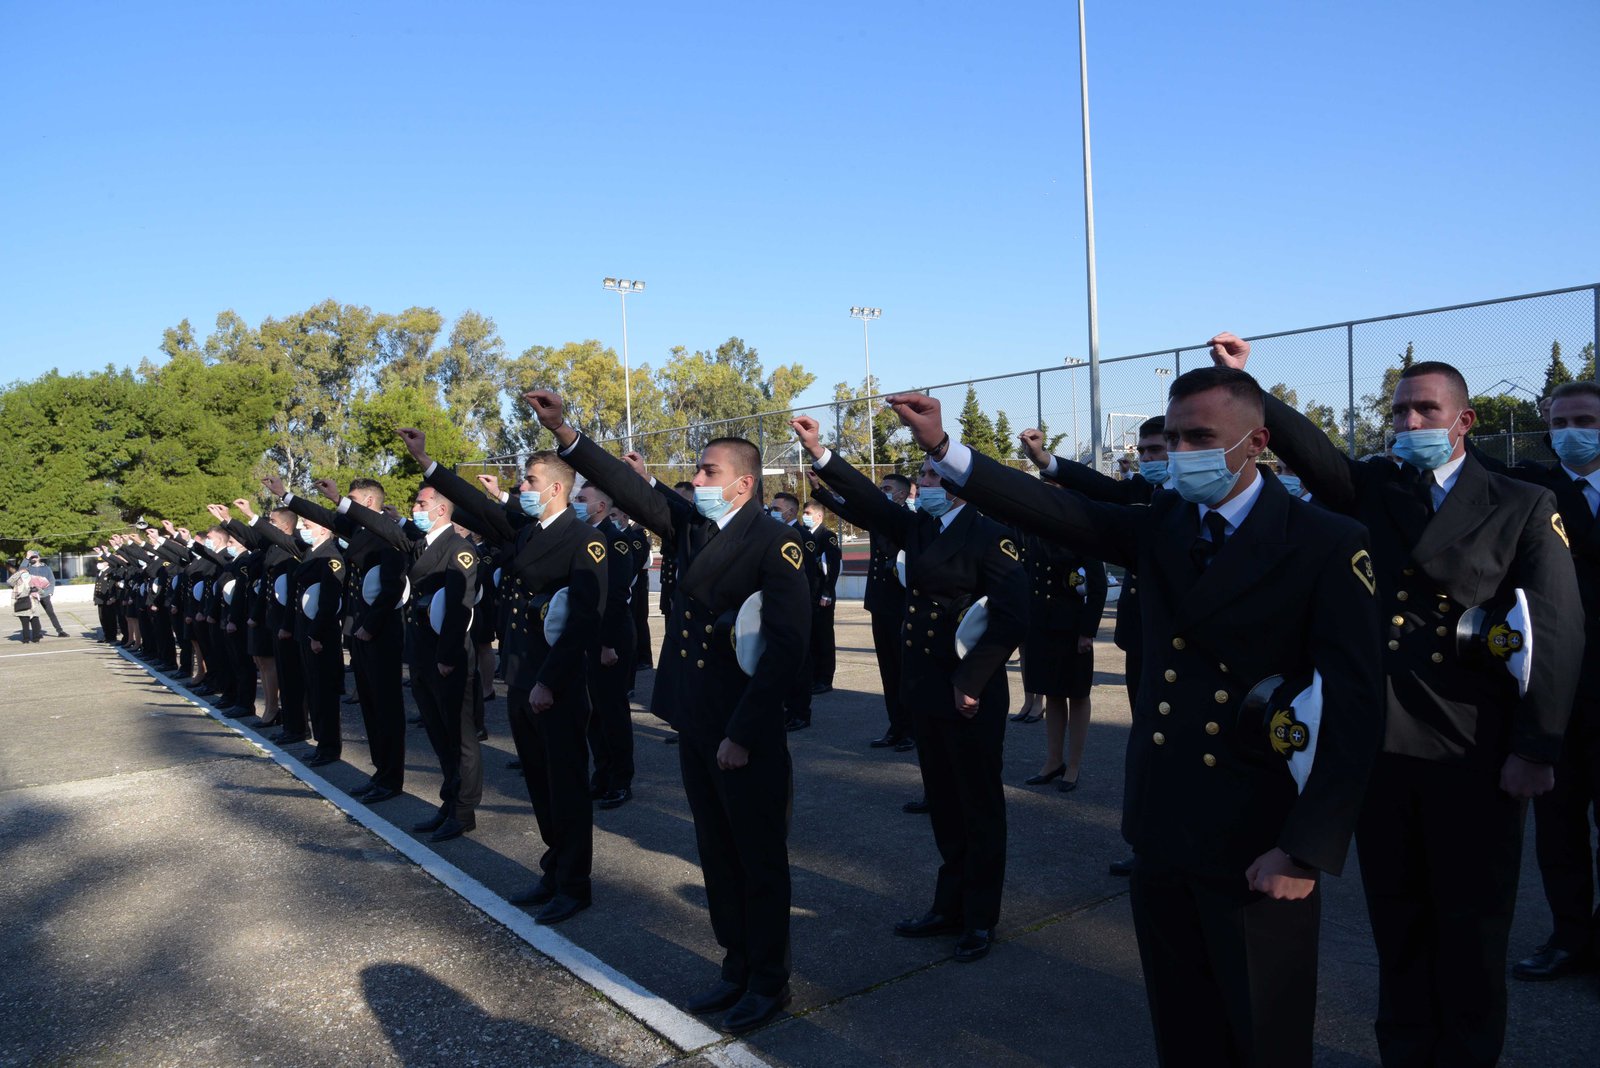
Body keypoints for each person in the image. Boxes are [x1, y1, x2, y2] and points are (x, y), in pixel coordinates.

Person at [892, 367, 1384, 1067]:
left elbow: (1356, 707)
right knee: (1183, 1030)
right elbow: (1053, 508)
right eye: (1173, 436)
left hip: (1260, 836)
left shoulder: (1326, 540)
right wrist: (945, 447)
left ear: (1257, 442)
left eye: (1199, 437)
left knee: (1263, 1034)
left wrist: (1306, 848)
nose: (1180, 452)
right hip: (1163, 824)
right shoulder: (1163, 525)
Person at [1212, 333, 1583, 1067]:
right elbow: (1316, 457)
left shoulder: (1521, 502)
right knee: (1399, 927)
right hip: (1384, 749)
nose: (1409, 423)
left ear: (1463, 421)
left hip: (1474, 753)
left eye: (1425, 411)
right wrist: (1249, 386)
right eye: (1400, 411)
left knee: (1471, 932)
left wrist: (1536, 748)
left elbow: (1557, 631)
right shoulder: (1374, 490)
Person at [527, 387, 809, 1036]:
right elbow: (632, 491)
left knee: (758, 861)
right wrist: (566, 432)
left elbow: (785, 653)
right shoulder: (693, 528)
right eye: (699, 472)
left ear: (743, 485)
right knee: (716, 854)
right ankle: (736, 965)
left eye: (709, 472)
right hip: (697, 723)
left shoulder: (776, 544)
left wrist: (743, 733)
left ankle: (769, 982)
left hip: (744, 732)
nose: (697, 480)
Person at [794, 413, 1027, 965]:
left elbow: (1012, 616)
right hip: (926, 688)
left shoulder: (992, 535)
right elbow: (870, 506)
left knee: (977, 806)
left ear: (959, 485)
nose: (923, 484)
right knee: (943, 804)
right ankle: (948, 905)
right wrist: (821, 453)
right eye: (921, 477)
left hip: (969, 692)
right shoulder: (921, 527)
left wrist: (971, 681)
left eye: (931, 477)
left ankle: (979, 915)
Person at [401, 427, 606, 922]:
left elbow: (583, 621)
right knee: (539, 782)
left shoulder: (586, 540)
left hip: (554, 683)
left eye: (530, 481)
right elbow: (478, 505)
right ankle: (554, 868)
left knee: (566, 786)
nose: (522, 488)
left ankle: (574, 884)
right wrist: (427, 462)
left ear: (555, 488)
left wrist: (548, 682)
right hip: (520, 676)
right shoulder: (527, 531)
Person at [1020, 420, 1168, 875]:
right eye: (1143, 451)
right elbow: (1102, 486)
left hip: (1179, 643)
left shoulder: (1199, 500)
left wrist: (1086, 629)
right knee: (1147, 743)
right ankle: (1149, 846)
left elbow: (1097, 579)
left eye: (1158, 450)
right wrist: (1045, 460)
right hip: (1139, 637)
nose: (1148, 459)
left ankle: (1176, 849)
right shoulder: (1139, 492)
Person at [1501, 379, 1600, 982]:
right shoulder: (1534, 490)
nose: (1570, 433)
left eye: (1585, 421)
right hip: (1559, 691)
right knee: (1558, 826)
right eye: (1560, 422)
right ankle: (1569, 939)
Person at [338, 472, 482, 844]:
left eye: (421, 503)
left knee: (460, 739)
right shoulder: (418, 543)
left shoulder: (458, 549)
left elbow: (459, 607)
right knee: (438, 733)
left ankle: (463, 811)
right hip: (421, 653)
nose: (414, 508)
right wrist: (341, 501)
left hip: (447, 656)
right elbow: (379, 523)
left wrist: (447, 656)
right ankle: (449, 801)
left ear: (441, 509)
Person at [272, 476, 409, 800]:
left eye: (352, 500)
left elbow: (392, 589)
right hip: (361, 633)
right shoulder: (361, 532)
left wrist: (369, 626)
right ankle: (380, 773)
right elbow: (324, 517)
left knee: (386, 709)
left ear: (370, 502)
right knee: (371, 708)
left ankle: (391, 778)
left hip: (381, 634)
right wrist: (286, 496)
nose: (346, 506)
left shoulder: (387, 533)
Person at [806, 469, 916, 751]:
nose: (882, 492)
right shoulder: (877, 518)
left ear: (902, 495)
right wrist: (820, 491)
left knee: (905, 671)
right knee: (889, 671)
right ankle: (896, 727)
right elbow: (848, 511)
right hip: (880, 604)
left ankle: (911, 729)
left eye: (887, 489)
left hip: (901, 606)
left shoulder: (910, 520)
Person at [1018, 534, 1107, 792]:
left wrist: (1087, 631)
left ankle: (1074, 766)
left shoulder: (1080, 534)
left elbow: (1098, 586)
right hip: (1042, 625)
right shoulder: (1036, 533)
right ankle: (1053, 761)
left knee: (1077, 695)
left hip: (1072, 628)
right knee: (1052, 693)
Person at [575, 481, 638, 810]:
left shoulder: (616, 542)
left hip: (610, 638)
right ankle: (601, 773)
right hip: (588, 637)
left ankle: (620, 779)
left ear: (600, 506)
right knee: (594, 711)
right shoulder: (584, 538)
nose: (576, 503)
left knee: (612, 711)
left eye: (582, 499)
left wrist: (608, 644)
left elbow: (616, 596)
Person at [801, 498, 840, 695]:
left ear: (819, 516)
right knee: (811, 638)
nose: (804, 516)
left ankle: (825, 679)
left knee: (823, 637)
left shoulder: (827, 536)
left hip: (822, 595)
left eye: (808, 513)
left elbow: (832, 567)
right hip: (808, 594)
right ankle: (813, 676)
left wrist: (827, 593)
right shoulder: (804, 534)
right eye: (804, 513)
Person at [22, 551, 67, 637]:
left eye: (35, 557)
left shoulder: (46, 568)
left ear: (39, 557)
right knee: (34, 615)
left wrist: (49, 592)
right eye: (32, 557)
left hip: (45, 594)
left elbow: (52, 580)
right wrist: (26, 558)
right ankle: (37, 632)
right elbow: (20, 570)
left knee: (51, 613)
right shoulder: (28, 568)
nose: (33, 558)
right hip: (32, 595)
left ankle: (60, 631)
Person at [10, 562, 42, 643]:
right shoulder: (17, 580)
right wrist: (19, 573)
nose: (24, 571)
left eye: (26, 570)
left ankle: (36, 638)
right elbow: (9, 581)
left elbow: (42, 591)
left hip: (33, 604)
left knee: (35, 622)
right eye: (22, 570)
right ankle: (26, 639)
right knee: (25, 623)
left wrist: (37, 590)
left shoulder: (34, 578)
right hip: (22, 603)